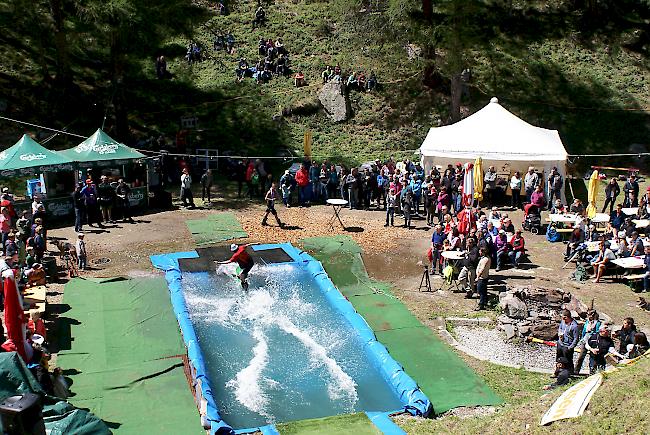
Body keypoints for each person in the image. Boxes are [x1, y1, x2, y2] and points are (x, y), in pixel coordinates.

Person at [574, 309, 602, 374]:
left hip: (592, 340)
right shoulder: (587, 322)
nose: (587, 316)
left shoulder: (597, 323)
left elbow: (597, 332)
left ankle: (592, 372)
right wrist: (582, 338)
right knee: (581, 356)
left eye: (589, 315)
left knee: (593, 357)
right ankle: (576, 371)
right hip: (585, 339)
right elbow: (584, 330)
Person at [557, 309, 579, 374]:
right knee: (559, 359)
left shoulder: (574, 326)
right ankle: (557, 372)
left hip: (567, 346)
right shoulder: (563, 322)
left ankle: (570, 373)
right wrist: (559, 335)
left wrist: (570, 347)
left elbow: (576, 338)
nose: (562, 319)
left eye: (563, 317)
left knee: (568, 360)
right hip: (560, 343)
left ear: (566, 317)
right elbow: (560, 328)